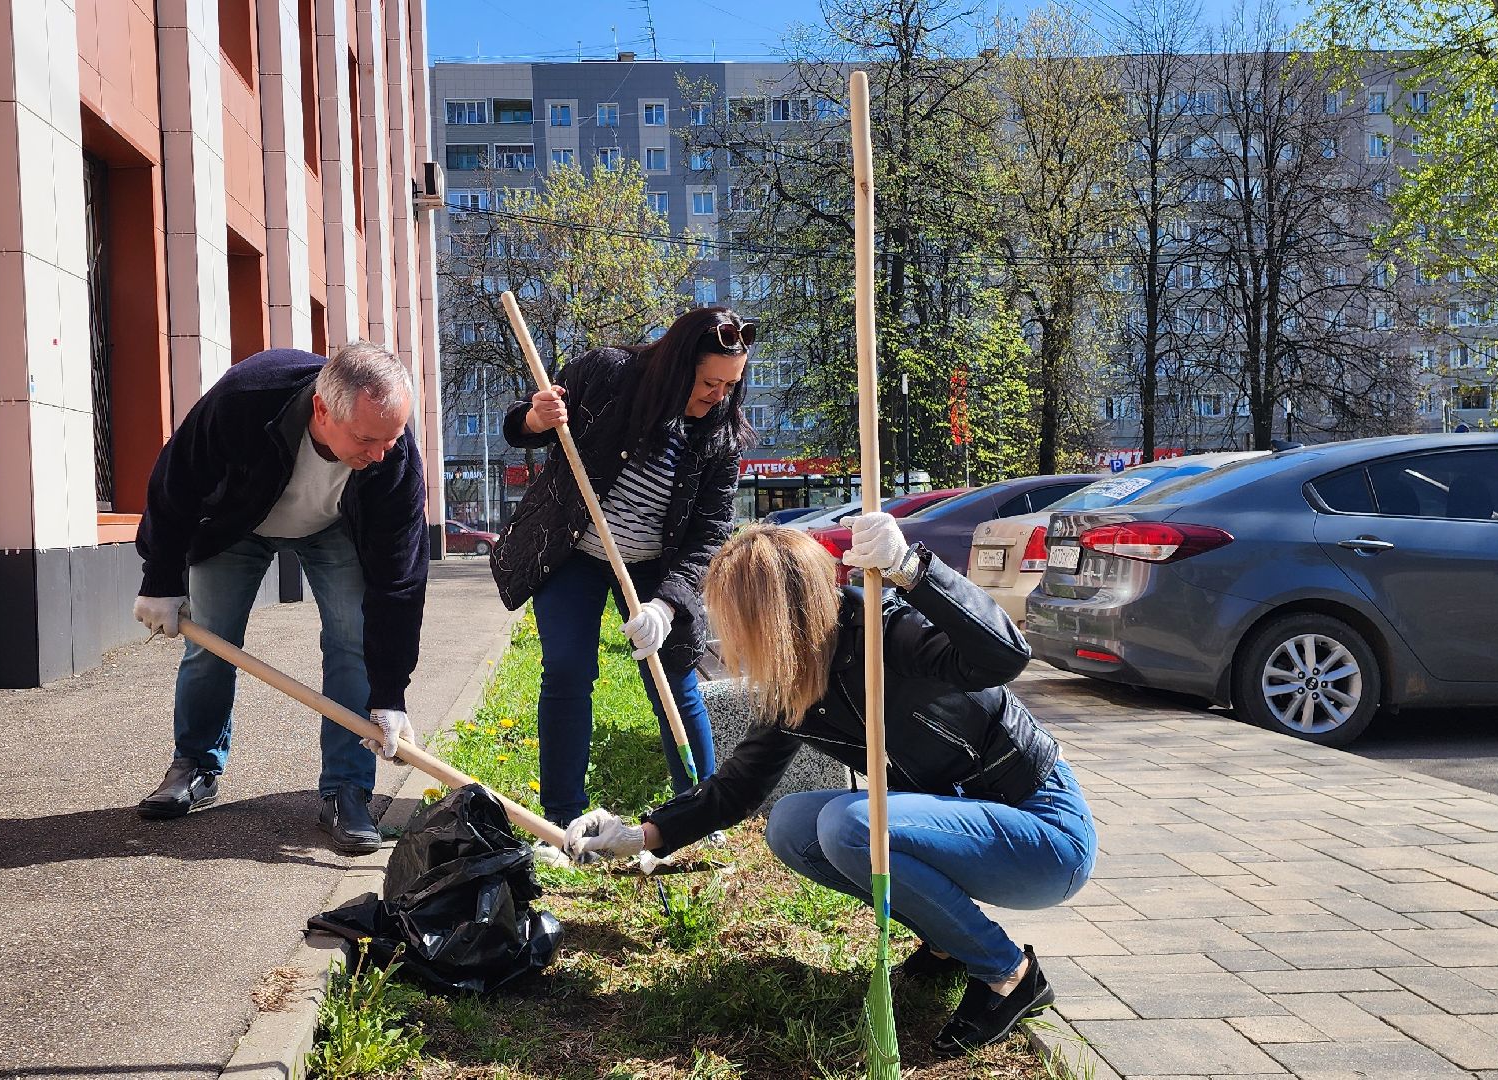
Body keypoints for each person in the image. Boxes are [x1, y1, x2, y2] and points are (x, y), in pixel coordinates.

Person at [561, 515, 1098, 1055]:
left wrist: (913, 570)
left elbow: (1005, 655)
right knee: (791, 825)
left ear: (770, 616)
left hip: (1043, 834)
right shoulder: (797, 678)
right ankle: (947, 942)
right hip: (963, 824)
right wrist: (639, 835)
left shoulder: (885, 631)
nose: (725, 637)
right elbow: (737, 788)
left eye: (733, 619)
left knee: (852, 826)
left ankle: (1009, 974)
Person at [130, 341, 430, 855]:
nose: (381, 453)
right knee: (211, 643)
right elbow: (175, 481)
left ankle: (346, 790)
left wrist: (390, 694)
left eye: (392, 437)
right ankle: (195, 765)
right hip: (237, 525)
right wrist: (160, 577)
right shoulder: (247, 398)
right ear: (322, 410)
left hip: (335, 528)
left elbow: (398, 581)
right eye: (366, 439)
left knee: (352, 641)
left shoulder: (392, 457)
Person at [491, 307, 756, 827]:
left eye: (730, 385)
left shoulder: (722, 437)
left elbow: (708, 536)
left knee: (674, 679)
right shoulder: (606, 374)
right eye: (710, 382)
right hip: (573, 551)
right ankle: (562, 819)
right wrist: (536, 418)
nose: (718, 395)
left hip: (656, 567)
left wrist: (667, 605)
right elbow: (524, 427)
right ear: (678, 365)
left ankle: (700, 816)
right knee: (568, 671)